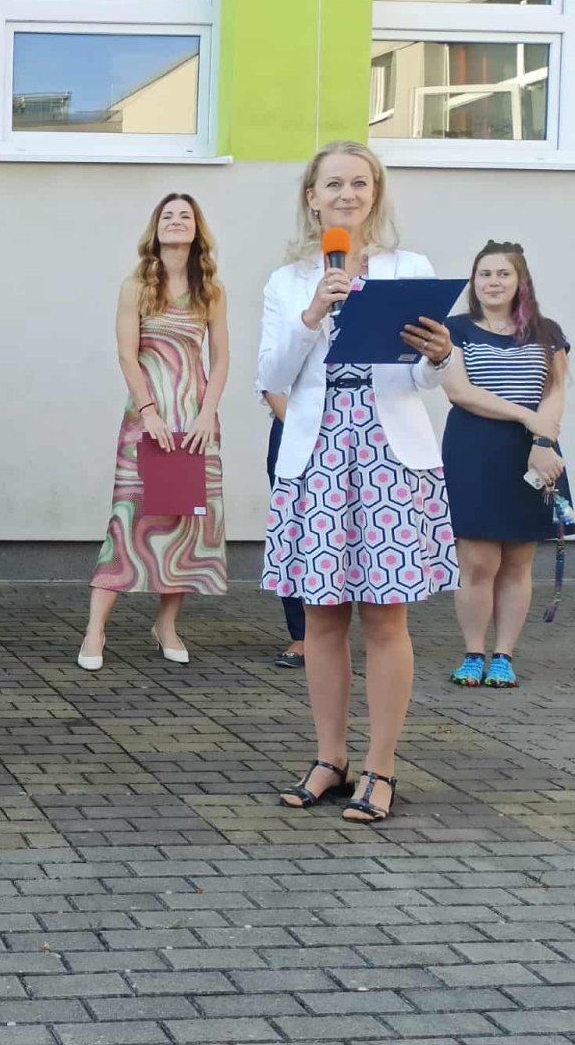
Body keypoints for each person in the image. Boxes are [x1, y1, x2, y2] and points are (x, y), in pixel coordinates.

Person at [259, 140, 459, 825]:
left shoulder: (411, 269)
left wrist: (440, 357)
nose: (347, 194)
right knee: (321, 615)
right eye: (333, 184)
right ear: (312, 197)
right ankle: (329, 758)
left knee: (384, 614)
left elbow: (421, 377)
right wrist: (313, 312)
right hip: (317, 454)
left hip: (389, 456)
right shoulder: (288, 281)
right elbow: (271, 376)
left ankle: (381, 766)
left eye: (360, 183)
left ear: (375, 194)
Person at [79, 194, 229, 671]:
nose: (177, 221)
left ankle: (166, 625)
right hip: (147, 420)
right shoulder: (136, 286)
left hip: (195, 422)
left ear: (197, 229)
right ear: (156, 228)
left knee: (184, 526)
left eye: (185, 216)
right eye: (168, 215)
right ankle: (95, 629)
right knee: (128, 520)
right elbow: (127, 355)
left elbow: (221, 359)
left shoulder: (211, 290)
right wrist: (149, 412)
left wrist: (207, 414)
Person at [440, 241, 568, 690]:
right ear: (474, 282)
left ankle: (504, 656)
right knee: (477, 561)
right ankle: (473, 653)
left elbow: (555, 393)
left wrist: (542, 440)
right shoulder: (455, 329)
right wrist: (527, 417)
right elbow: (460, 392)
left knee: (517, 560)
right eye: (484, 274)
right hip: (473, 451)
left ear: (520, 281)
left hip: (533, 454)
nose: (493, 282)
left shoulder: (547, 331)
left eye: (502, 274)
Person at [264, 392, 308, 667]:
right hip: (293, 423)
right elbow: (269, 383)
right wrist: (302, 429)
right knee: (292, 531)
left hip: (356, 424)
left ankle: (334, 631)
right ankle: (302, 634)